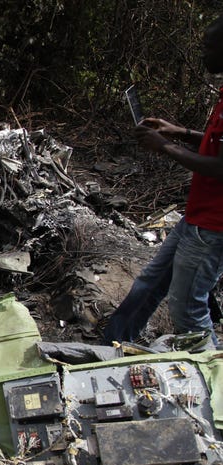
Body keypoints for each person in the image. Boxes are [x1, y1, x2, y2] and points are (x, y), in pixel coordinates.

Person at [102, 16, 223, 351]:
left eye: (209, 47)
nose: (203, 54)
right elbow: (216, 144)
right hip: (196, 218)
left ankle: (214, 385)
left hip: (212, 228)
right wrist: (179, 132)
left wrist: (165, 146)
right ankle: (112, 348)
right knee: (149, 284)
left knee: (187, 309)